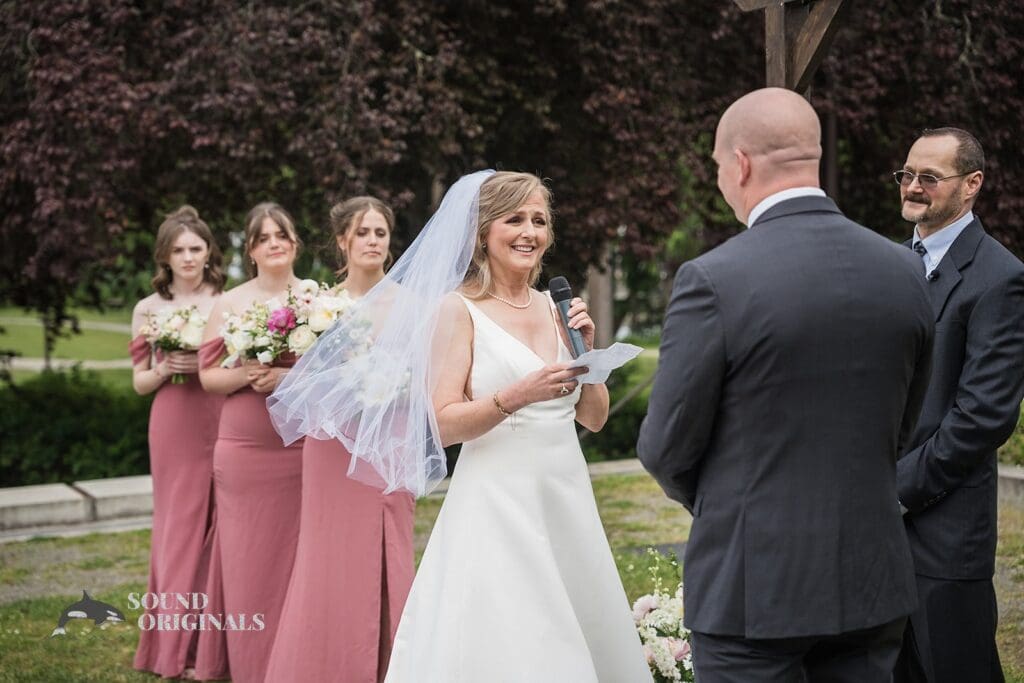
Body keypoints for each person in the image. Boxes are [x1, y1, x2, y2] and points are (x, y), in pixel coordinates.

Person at [637, 87, 934, 682]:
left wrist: (733, 502)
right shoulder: (905, 269)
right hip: (871, 577)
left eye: (717, 166)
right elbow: (905, 422)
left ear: (740, 164)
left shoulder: (714, 279)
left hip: (756, 586)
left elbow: (666, 447)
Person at [379, 171, 651, 682]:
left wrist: (587, 353)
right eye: (515, 219)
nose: (530, 232)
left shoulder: (556, 307)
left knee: (578, 619)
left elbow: (594, 418)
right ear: (484, 232)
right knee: (515, 632)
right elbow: (442, 424)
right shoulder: (458, 310)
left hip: (564, 492)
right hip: (498, 499)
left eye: (539, 221)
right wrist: (515, 396)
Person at [263, 197, 415, 683]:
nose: (373, 241)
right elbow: (303, 384)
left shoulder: (413, 305)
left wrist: (394, 382)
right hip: (331, 447)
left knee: (389, 549)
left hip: (388, 442)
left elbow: (427, 378)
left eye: (380, 233)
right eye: (363, 232)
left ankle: (390, 667)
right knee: (328, 557)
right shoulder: (318, 306)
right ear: (343, 240)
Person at [892, 128, 1024, 683]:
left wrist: (893, 491)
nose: (912, 187)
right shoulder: (890, 264)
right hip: (875, 534)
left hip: (945, 533)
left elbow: (982, 418)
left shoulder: (1001, 278)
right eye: (907, 174)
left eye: (929, 177)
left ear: (972, 184)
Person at [197, 202, 305, 683]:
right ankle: (250, 666)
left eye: (282, 234)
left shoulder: (317, 298)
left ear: (295, 243)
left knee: (299, 558)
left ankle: (295, 662)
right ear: (252, 250)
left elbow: (336, 373)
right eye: (263, 238)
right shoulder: (229, 303)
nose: (274, 243)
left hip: (300, 446)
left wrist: (286, 377)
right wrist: (247, 373)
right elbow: (207, 378)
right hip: (244, 449)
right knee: (247, 560)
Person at [129, 205, 225, 680]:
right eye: (179, 250)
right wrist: (167, 368)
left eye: (196, 248)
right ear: (165, 257)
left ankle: (212, 647)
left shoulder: (227, 301)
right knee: (179, 527)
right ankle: (172, 649)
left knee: (222, 525)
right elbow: (139, 382)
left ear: (209, 253)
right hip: (173, 422)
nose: (188, 257)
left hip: (220, 415)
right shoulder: (147, 309)